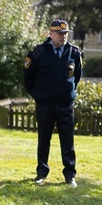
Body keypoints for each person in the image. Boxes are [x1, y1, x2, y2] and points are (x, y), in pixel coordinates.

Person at [23, 19, 83, 188]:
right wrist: (38, 95)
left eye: (66, 34)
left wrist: (68, 93)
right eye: (59, 34)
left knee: (68, 141)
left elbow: (76, 76)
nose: (63, 37)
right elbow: (28, 78)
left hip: (65, 105)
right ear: (50, 34)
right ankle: (41, 173)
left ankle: (70, 175)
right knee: (44, 140)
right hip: (45, 104)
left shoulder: (74, 53)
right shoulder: (38, 53)